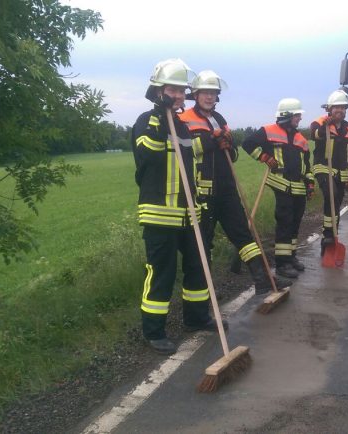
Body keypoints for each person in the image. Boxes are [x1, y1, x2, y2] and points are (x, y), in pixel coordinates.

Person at [131, 59, 226, 355]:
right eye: (173, 90)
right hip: (160, 214)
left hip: (190, 214)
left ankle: (196, 318)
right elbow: (148, 153)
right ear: (159, 91)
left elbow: (195, 156)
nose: (179, 95)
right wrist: (161, 115)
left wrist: (216, 142)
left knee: (198, 267)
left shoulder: (184, 127)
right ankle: (153, 331)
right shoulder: (147, 122)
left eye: (182, 90)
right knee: (162, 272)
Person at [179, 70, 292, 295]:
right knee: (203, 243)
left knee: (244, 235)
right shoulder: (183, 120)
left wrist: (228, 144)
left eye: (213, 93)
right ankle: (202, 296)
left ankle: (263, 280)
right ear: (196, 94)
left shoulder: (220, 119)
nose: (209, 97)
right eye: (205, 93)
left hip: (227, 189)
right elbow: (185, 152)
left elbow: (232, 156)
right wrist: (211, 140)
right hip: (202, 192)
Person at [242, 98, 314, 279]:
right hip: (280, 185)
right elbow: (247, 144)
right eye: (296, 115)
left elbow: (307, 165)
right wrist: (265, 157)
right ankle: (282, 264)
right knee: (285, 223)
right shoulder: (268, 131)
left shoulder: (301, 139)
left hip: (299, 188)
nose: (299, 118)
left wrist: (310, 183)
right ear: (287, 115)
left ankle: (291, 256)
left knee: (295, 223)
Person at [310, 90, 348, 255]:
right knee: (331, 194)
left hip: (341, 172)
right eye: (337, 107)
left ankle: (329, 237)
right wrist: (325, 127)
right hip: (323, 167)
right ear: (329, 108)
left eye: (343, 108)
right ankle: (328, 235)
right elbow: (314, 135)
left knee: (336, 203)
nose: (340, 111)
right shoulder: (319, 122)